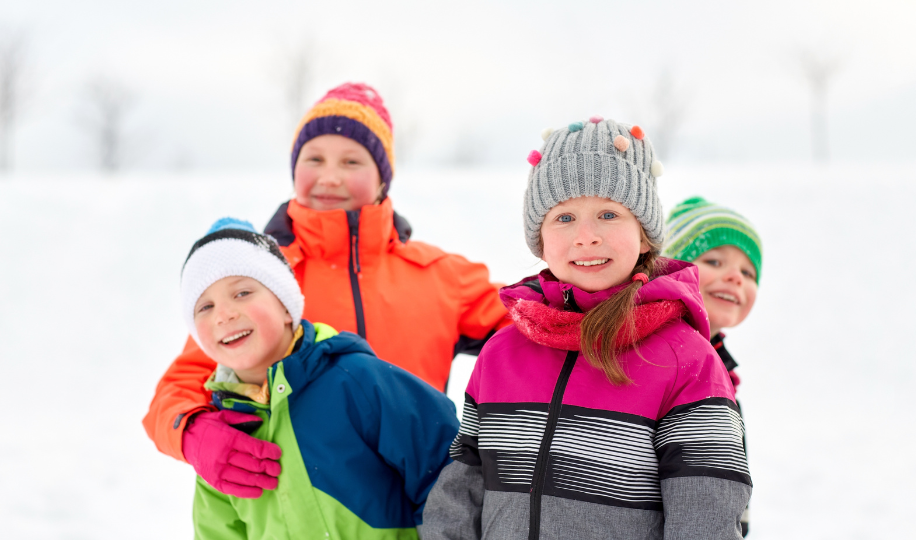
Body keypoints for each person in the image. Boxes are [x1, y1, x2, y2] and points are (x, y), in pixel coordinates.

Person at [143, 82, 509, 499]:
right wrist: (193, 432)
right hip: (300, 509)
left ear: (383, 179)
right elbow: (179, 387)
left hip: (416, 508)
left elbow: (535, 321)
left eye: (352, 161)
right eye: (314, 158)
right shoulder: (259, 282)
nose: (330, 177)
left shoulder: (441, 276)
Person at [421, 118, 751, 539]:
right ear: (539, 237)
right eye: (564, 217)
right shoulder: (503, 351)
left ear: (646, 236)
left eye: (609, 214)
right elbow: (460, 493)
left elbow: (705, 516)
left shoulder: (686, 360)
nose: (586, 236)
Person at [181, 217, 459, 539]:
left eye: (242, 292)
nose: (223, 314)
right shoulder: (220, 438)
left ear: (286, 307)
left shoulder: (357, 381)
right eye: (204, 307)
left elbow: (447, 472)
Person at [662, 196, 763, 537]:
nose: (735, 277)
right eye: (715, 260)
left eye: (748, 272)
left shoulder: (721, 373)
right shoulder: (658, 354)